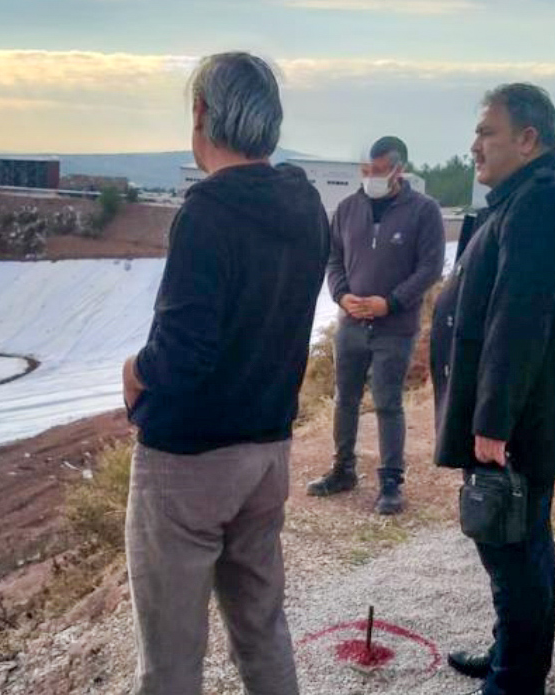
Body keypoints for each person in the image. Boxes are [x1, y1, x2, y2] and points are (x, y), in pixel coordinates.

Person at [121, 52, 330, 695]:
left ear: (201, 115)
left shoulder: (207, 211)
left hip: (189, 463)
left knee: (171, 660)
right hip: (267, 450)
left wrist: (134, 372)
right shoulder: (306, 205)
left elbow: (182, 354)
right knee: (262, 629)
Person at [432, 84, 555, 694]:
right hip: (522, 413)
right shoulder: (527, 196)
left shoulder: (544, 202)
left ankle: (515, 681)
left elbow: (520, 317)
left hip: (523, 419)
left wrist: (493, 422)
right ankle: (511, 653)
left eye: (487, 132)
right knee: (516, 543)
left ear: (528, 138)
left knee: (516, 550)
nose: (474, 145)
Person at [306, 135, 445, 514]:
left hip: (394, 327)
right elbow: (333, 258)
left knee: (387, 403)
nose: (369, 177)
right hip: (350, 323)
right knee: (345, 399)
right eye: (365, 170)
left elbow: (430, 267)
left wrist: (391, 302)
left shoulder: (424, 211)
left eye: (378, 171)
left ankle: (390, 483)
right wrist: (341, 295)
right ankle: (342, 470)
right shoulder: (348, 208)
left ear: (398, 170)